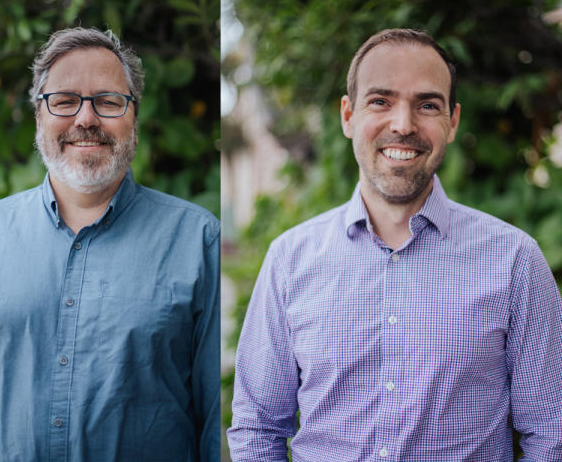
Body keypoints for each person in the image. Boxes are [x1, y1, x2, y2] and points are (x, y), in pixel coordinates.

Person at [227, 28, 562, 460]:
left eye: (427, 105)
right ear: (348, 116)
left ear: (452, 122)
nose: (403, 125)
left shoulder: (514, 260)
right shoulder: (289, 260)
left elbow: (551, 432)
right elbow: (257, 429)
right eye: (380, 101)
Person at [0, 27, 220, 461]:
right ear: (39, 118)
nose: (86, 119)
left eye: (108, 101)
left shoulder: (199, 242)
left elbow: (215, 425)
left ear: (134, 121)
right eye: (65, 101)